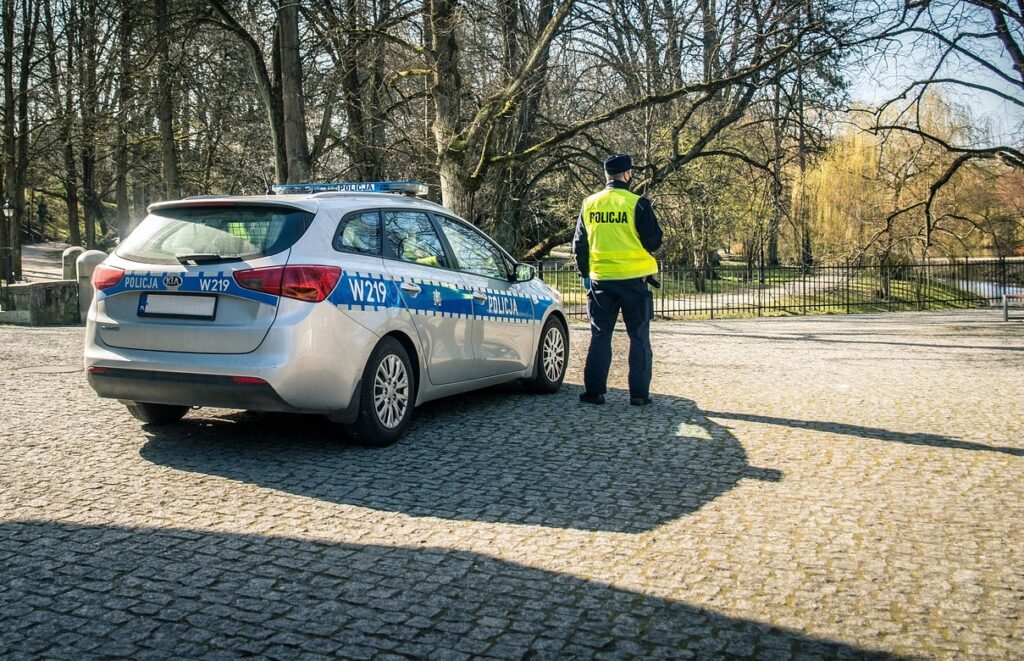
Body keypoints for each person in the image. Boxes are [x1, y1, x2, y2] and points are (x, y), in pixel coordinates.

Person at [573, 153, 663, 406]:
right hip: (634, 281)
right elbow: (653, 241)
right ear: (627, 174)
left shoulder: (589, 204)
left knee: (600, 335)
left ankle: (594, 392)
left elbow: (580, 244)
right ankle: (639, 395)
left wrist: (585, 274)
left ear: (606, 175)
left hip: (602, 280)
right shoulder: (638, 203)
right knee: (639, 337)